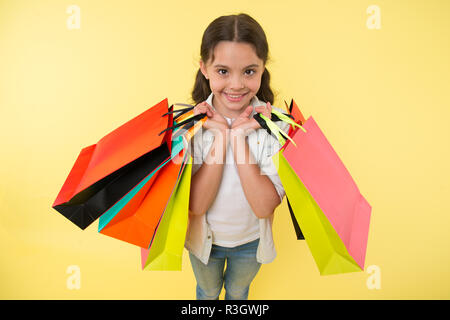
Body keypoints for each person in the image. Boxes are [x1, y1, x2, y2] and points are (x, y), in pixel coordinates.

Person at [184, 13, 289, 300]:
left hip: (251, 243)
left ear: (262, 68)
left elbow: (264, 207)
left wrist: (239, 138)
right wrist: (220, 138)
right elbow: (196, 205)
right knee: (207, 291)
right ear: (204, 68)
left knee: (239, 292)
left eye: (249, 71)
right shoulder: (188, 127)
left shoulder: (279, 127)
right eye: (222, 71)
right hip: (203, 242)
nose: (236, 85)